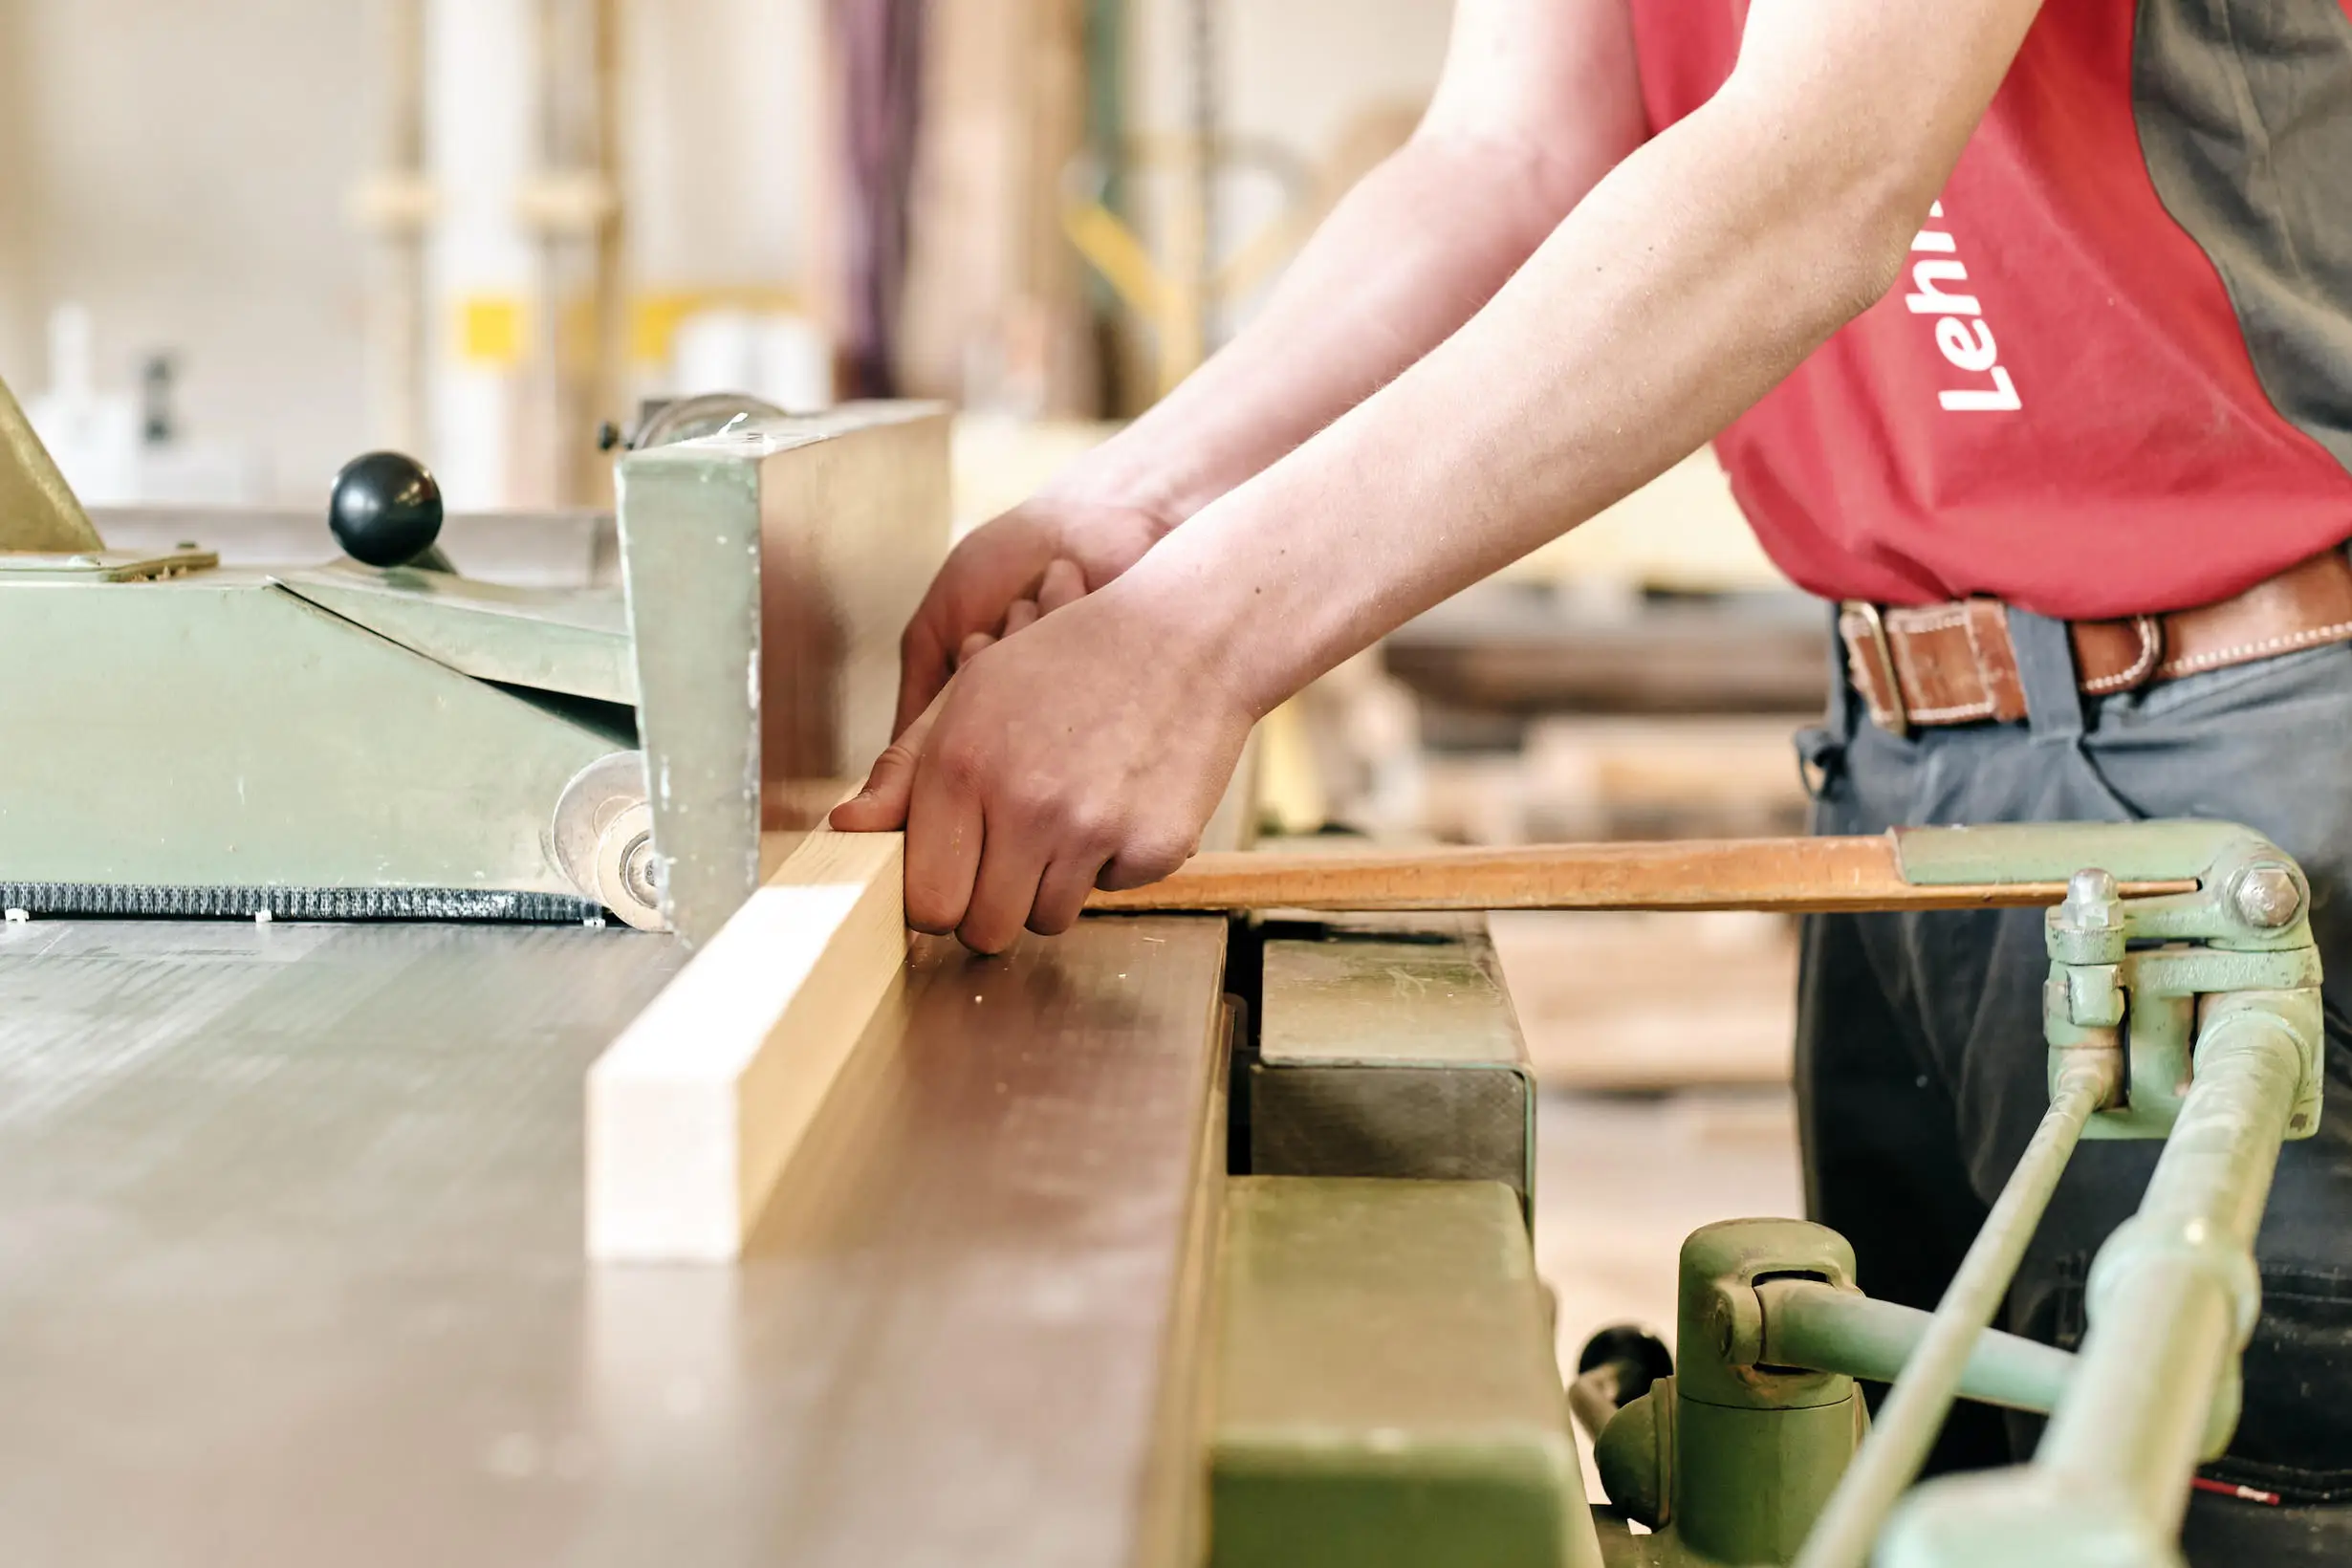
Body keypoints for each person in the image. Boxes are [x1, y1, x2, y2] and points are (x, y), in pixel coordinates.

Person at [832, 0, 2352, 1554]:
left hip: (2249, 734)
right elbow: (1510, 158)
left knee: (2187, 1511)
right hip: (1910, 742)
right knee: (1923, 1497)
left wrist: (1185, 645)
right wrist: (1137, 508)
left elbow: (1816, 180)